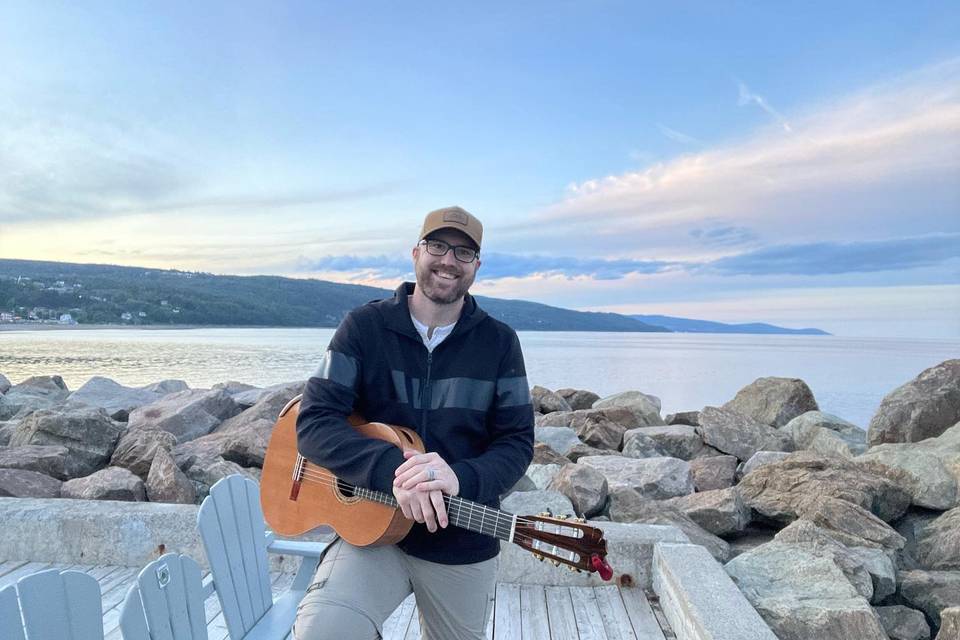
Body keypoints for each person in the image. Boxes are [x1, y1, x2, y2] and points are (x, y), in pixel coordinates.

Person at [292, 206, 535, 640]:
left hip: (461, 539)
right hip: (372, 532)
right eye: (437, 246)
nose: (448, 261)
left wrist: (459, 478)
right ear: (415, 252)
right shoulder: (364, 327)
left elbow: (517, 444)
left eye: (463, 252)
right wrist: (392, 473)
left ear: (477, 267)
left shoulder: (499, 343)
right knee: (323, 631)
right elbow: (314, 421)